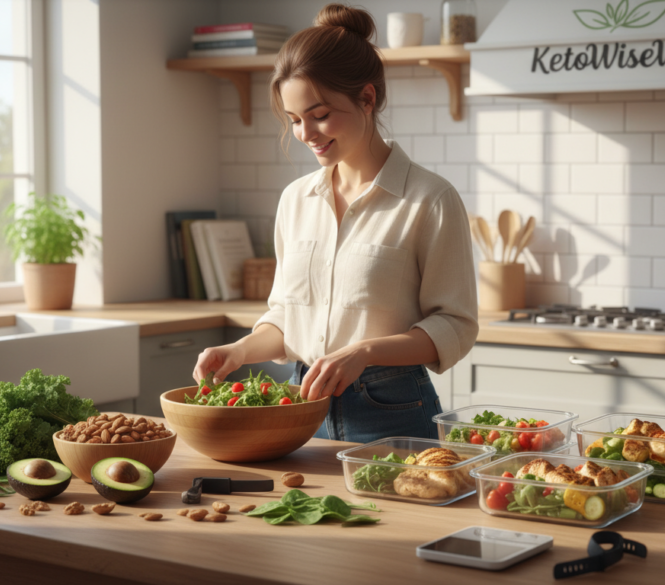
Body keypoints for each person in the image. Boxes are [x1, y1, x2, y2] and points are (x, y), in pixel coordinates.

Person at [192, 3, 478, 443]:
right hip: (300, 409)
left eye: (320, 114)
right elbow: (286, 315)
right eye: (294, 120)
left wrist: (364, 352)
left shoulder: (430, 199)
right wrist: (238, 350)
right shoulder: (296, 200)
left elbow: (455, 325)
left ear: (367, 98)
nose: (305, 134)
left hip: (392, 410)